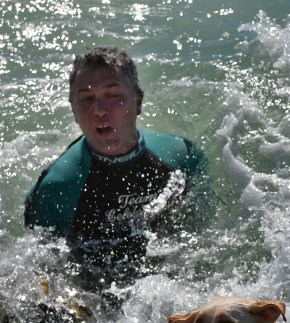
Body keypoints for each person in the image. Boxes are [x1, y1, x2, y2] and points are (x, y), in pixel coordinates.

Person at [24, 45, 214, 278]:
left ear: (138, 102)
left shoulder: (182, 157)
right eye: (86, 99)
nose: (100, 110)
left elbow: (204, 239)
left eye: (113, 96)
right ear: (73, 110)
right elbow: (41, 275)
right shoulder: (54, 190)